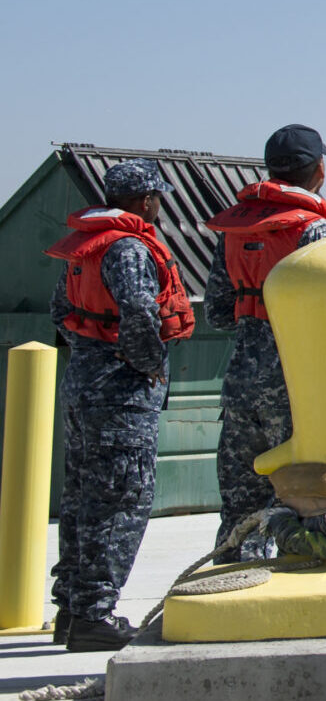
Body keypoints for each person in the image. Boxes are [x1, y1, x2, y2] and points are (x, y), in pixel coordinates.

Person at [47, 158, 193, 650]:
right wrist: (150, 364)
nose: (159, 206)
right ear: (143, 199)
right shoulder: (130, 247)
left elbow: (60, 310)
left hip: (82, 387)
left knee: (84, 498)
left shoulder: (85, 248)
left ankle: (71, 609)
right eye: (157, 197)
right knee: (122, 502)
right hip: (122, 395)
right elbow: (138, 313)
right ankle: (94, 615)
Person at [205, 126, 326, 561]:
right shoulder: (318, 231)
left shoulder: (234, 228)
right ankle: (269, 582)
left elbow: (217, 312)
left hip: (241, 383)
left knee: (239, 504)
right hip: (295, 386)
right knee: (292, 499)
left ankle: (223, 585)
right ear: (319, 170)